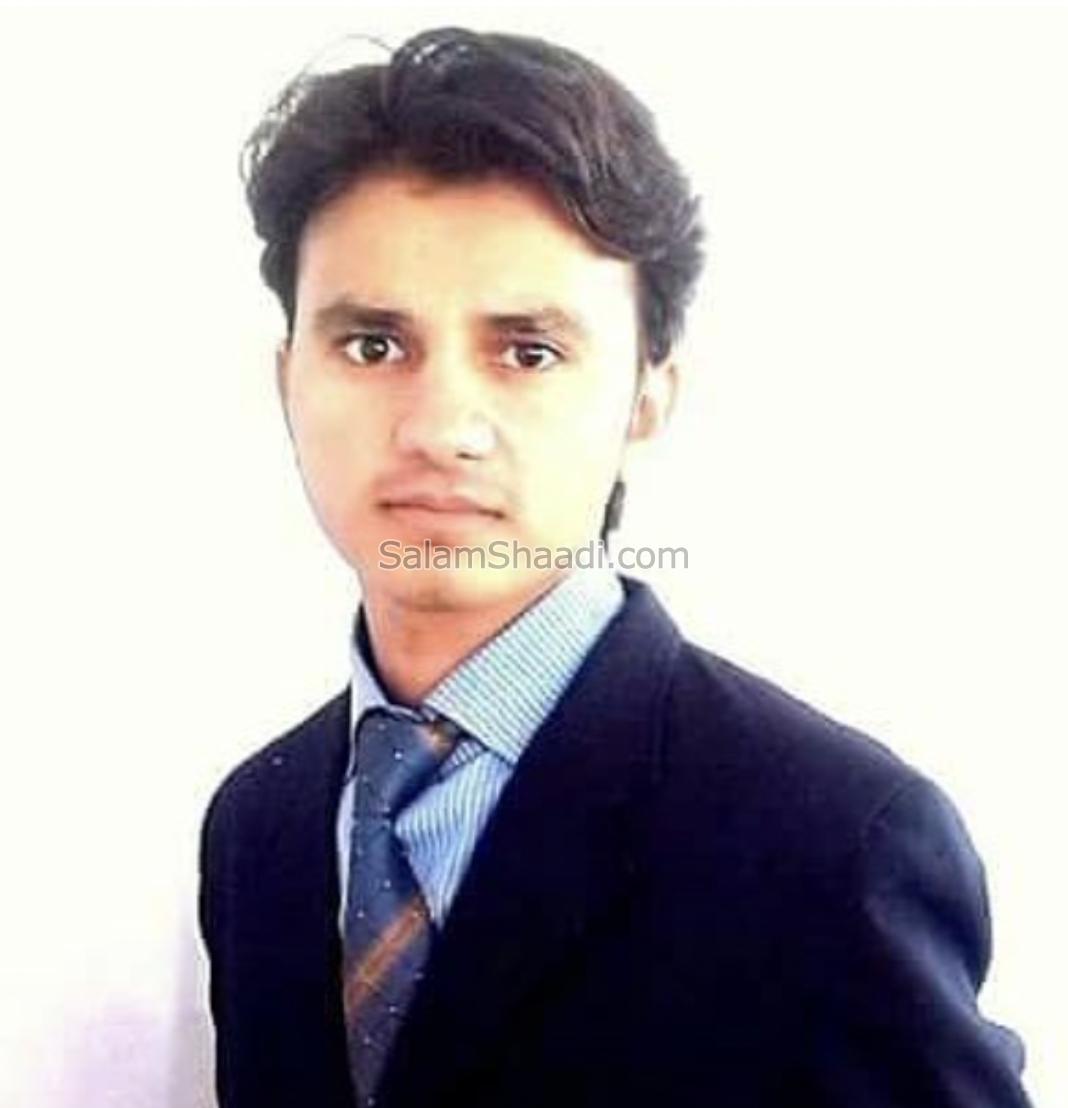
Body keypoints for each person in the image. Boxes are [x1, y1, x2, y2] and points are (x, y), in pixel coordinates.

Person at [197, 25, 1032, 1108]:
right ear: (288, 379)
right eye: (373, 345)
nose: (441, 426)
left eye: (528, 352)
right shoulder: (257, 827)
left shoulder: (836, 843)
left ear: (646, 400)